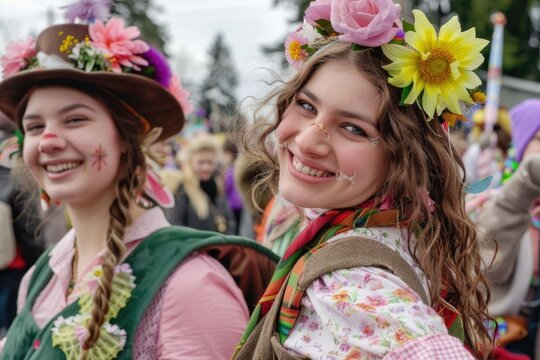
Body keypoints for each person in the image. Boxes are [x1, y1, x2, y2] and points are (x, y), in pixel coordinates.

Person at [0, 11, 277, 360]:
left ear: (129, 139)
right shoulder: (40, 277)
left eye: (75, 119)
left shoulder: (189, 286)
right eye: (35, 126)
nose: (48, 140)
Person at [233, 1, 493, 359]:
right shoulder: (393, 231)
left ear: (401, 158)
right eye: (307, 106)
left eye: (353, 128)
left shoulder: (348, 283)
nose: (308, 140)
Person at [476, 99, 540, 358]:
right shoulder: (490, 202)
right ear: (521, 140)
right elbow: (487, 269)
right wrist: (522, 190)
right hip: (497, 332)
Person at [166, 133, 236, 234]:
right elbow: (175, 227)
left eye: (210, 162)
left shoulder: (217, 185)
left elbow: (229, 220)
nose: (206, 167)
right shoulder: (181, 188)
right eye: (201, 162)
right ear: (191, 162)